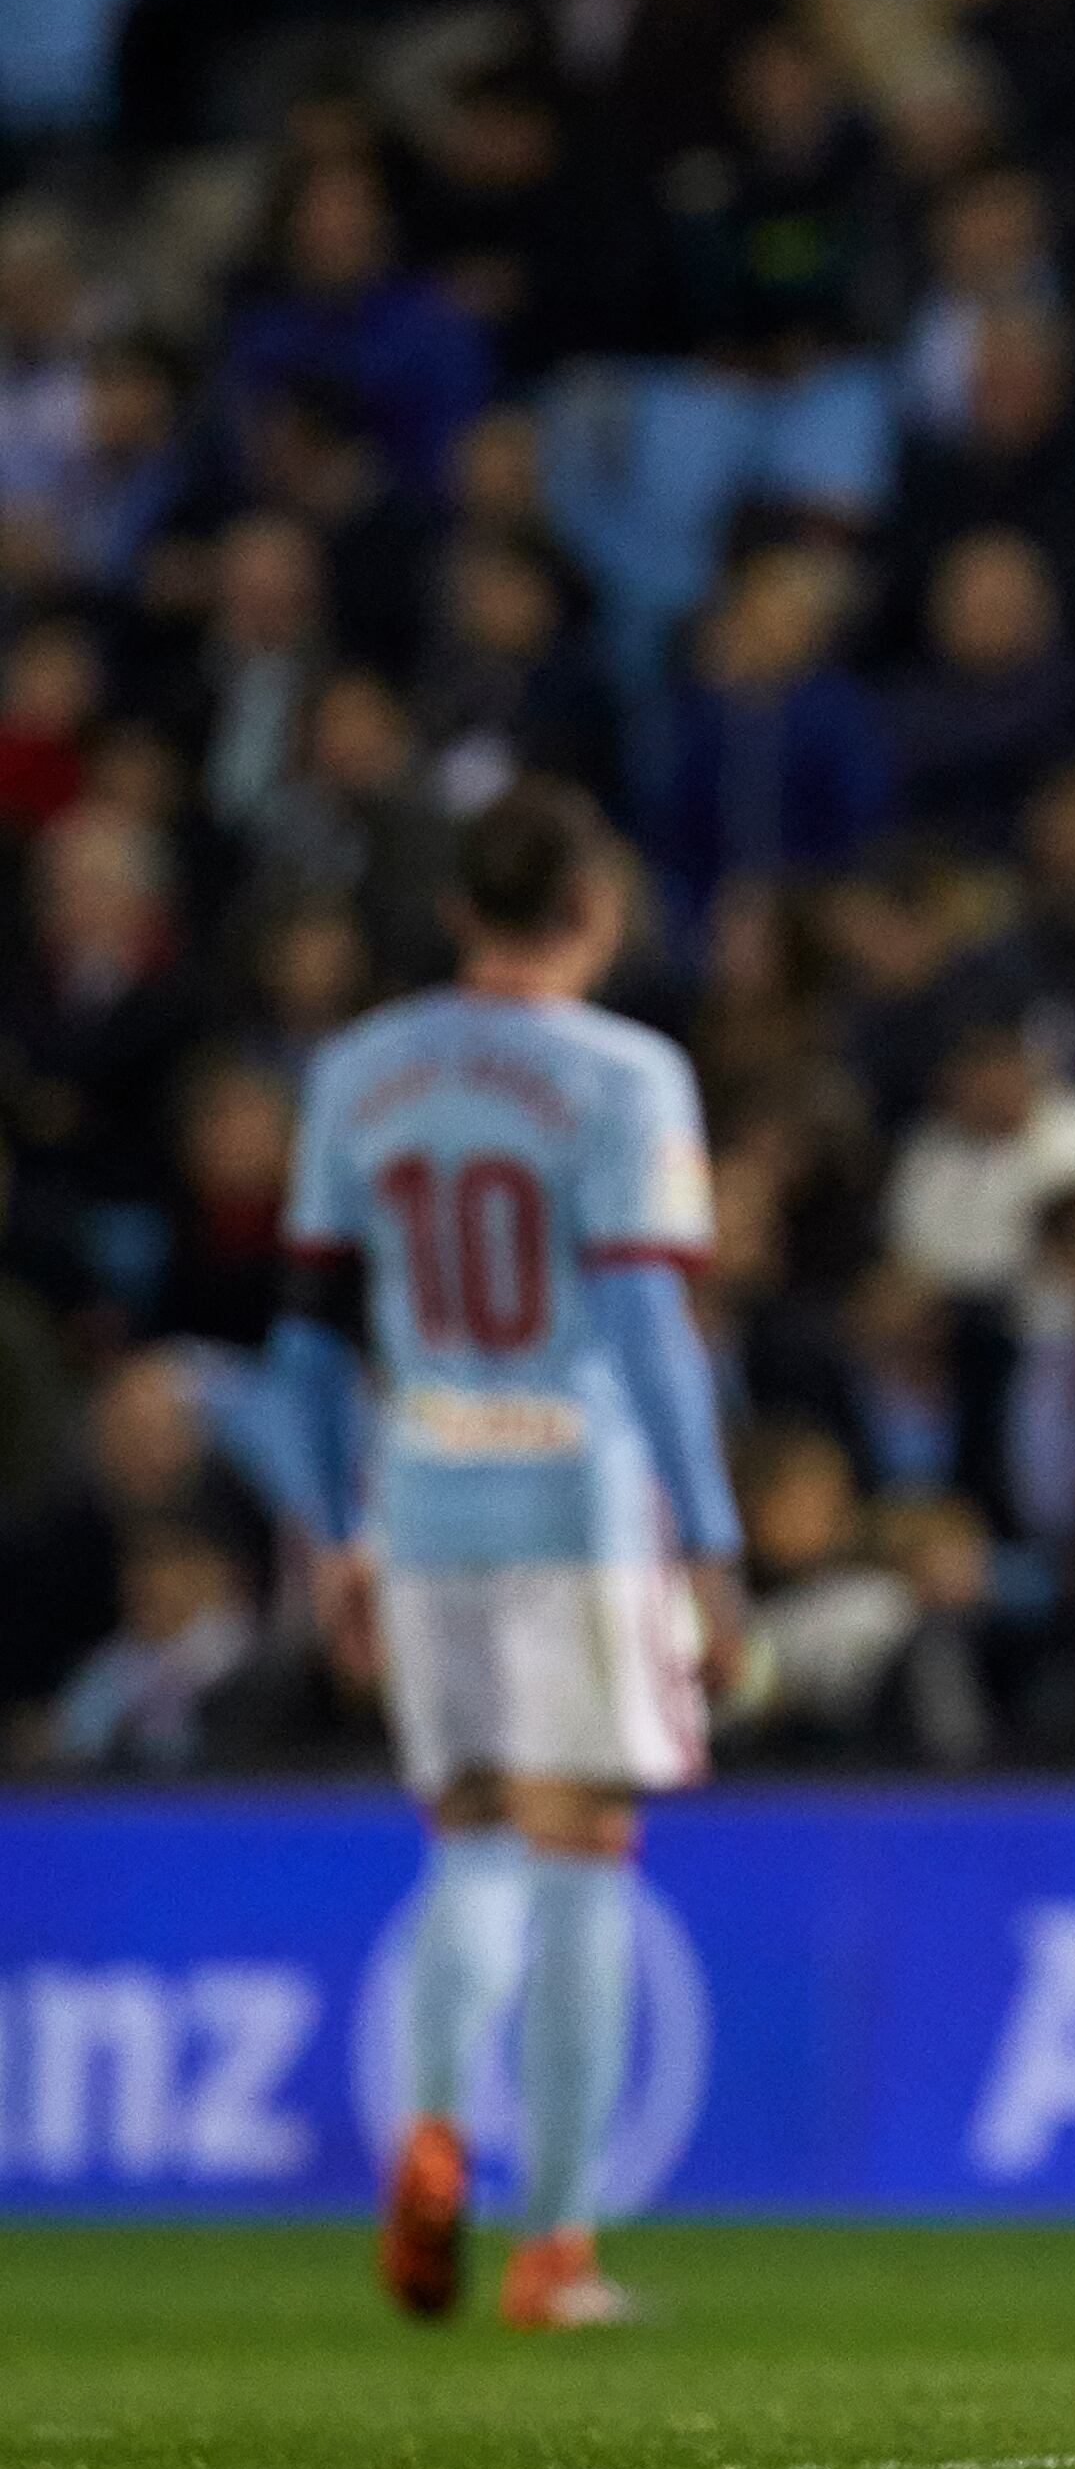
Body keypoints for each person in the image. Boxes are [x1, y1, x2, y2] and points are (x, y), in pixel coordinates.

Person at [271, 785, 748, 2333]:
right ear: (593, 912)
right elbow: (648, 1331)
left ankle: (429, 2128)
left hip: (419, 1495)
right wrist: (714, 1544)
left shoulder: (359, 1071)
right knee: (581, 1848)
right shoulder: (624, 1074)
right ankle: (553, 2246)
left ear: (463, 911)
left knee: (465, 1838)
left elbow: (304, 1344)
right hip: (577, 1499)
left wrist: (333, 1528)